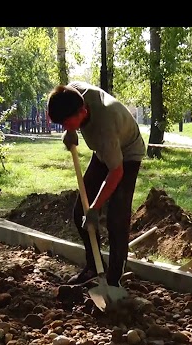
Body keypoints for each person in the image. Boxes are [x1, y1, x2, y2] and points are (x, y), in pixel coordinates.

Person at [46, 81, 146, 289]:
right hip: (103, 153)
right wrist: (71, 131)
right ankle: (93, 267)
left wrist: (96, 207)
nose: (64, 128)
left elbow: (116, 172)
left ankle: (114, 280)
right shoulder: (74, 92)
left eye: (67, 123)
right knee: (79, 212)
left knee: (117, 219)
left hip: (127, 153)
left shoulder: (104, 129)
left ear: (82, 111)